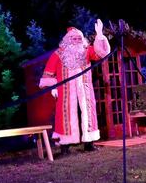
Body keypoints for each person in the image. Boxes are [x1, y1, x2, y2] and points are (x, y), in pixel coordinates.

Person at [38, 19, 110, 153]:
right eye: (73, 38)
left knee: (88, 114)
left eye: (79, 38)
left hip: (85, 90)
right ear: (67, 40)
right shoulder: (58, 54)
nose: (76, 40)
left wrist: (99, 36)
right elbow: (47, 75)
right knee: (65, 117)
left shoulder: (87, 51)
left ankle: (89, 143)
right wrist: (54, 87)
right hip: (65, 92)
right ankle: (65, 146)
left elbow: (102, 53)